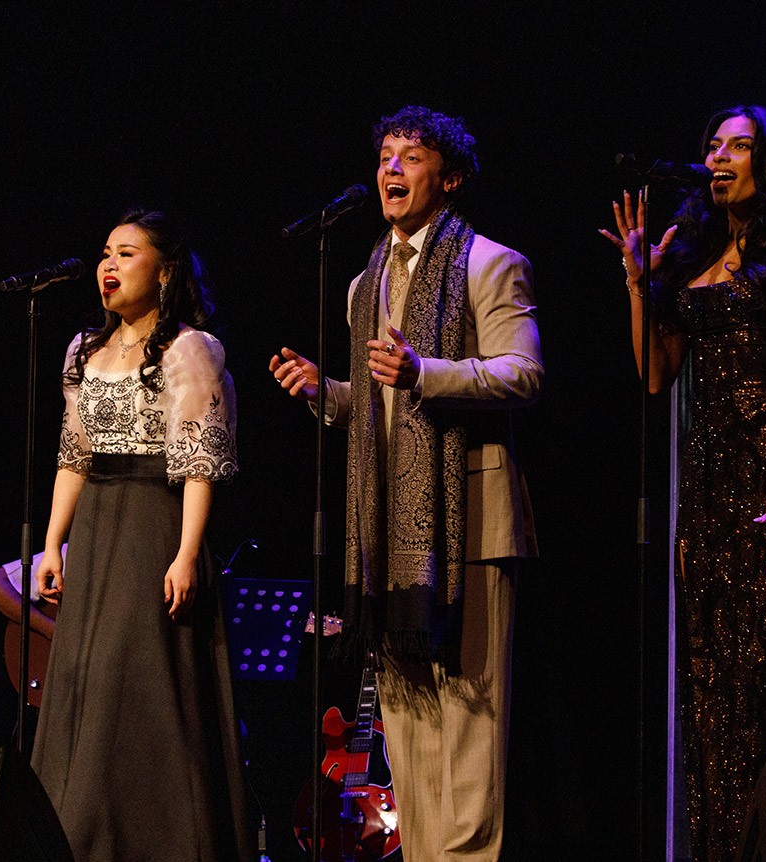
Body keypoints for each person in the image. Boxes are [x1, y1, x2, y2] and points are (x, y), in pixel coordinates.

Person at [270, 106, 543, 862]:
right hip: (391, 536)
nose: (391, 169)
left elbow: (524, 372)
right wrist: (325, 391)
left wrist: (427, 372)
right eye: (385, 155)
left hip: (474, 528)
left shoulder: (490, 262)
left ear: (448, 177)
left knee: (466, 727)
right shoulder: (367, 280)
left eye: (411, 157)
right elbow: (380, 399)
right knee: (410, 730)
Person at [599, 106, 766, 861]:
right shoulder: (696, 258)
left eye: (738, 145)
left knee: (759, 685)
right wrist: (639, 283)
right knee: (707, 696)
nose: (719, 156)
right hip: (705, 495)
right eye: (712, 144)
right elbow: (655, 374)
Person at [30, 209, 251, 862]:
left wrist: (186, 555)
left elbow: (201, 462)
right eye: (106, 253)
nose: (109, 265)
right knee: (83, 676)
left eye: (127, 254)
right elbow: (73, 456)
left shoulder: (189, 349)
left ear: (166, 270)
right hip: (96, 528)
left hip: (154, 522)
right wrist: (52, 543)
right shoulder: (83, 350)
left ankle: (157, 840)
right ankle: (79, 838)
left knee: (140, 683)